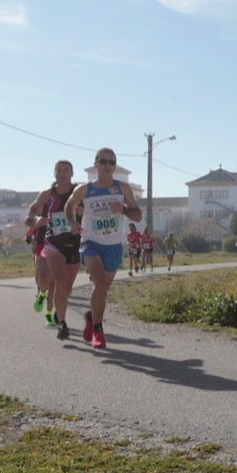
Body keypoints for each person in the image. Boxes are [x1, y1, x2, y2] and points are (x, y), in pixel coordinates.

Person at [65, 148, 141, 350]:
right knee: (98, 282)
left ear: (114, 166)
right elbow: (69, 205)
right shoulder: (85, 189)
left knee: (102, 291)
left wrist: (123, 209)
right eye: (104, 161)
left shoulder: (122, 188)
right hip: (91, 242)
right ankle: (98, 330)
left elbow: (138, 216)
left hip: (114, 246)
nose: (108, 165)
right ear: (96, 164)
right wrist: (73, 221)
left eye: (111, 162)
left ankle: (91, 316)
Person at [24, 159, 81, 341]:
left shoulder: (80, 191)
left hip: (74, 243)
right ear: (54, 173)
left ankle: (59, 311)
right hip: (52, 243)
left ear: (72, 173)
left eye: (66, 170)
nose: (62, 173)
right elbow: (29, 218)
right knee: (57, 281)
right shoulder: (47, 194)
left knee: (67, 288)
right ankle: (62, 323)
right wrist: (36, 221)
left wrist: (81, 214)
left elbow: (92, 214)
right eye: (58, 170)